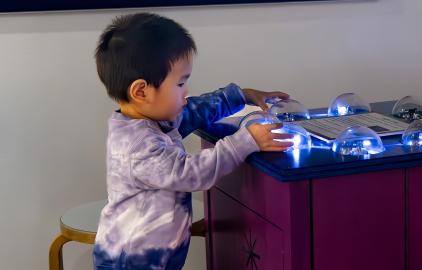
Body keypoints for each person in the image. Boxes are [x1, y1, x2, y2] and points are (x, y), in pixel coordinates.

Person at [93, 12, 293, 270]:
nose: (186, 92)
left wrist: (241, 96)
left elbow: (196, 110)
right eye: (180, 83)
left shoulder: (155, 120)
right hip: (130, 261)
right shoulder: (137, 146)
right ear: (141, 91)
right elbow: (190, 174)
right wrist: (245, 141)